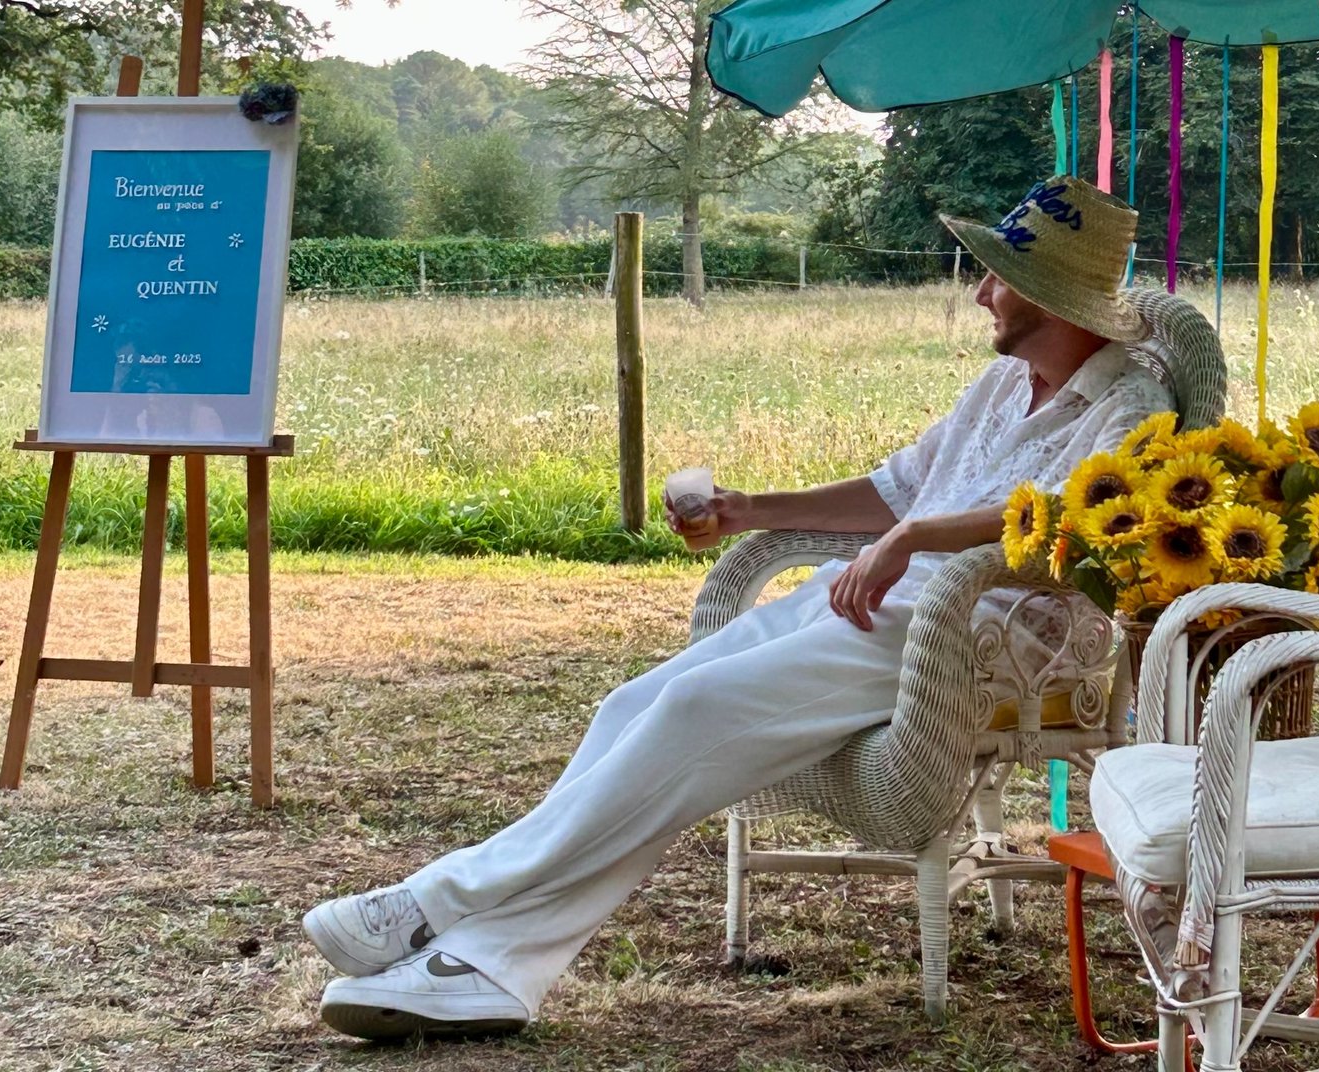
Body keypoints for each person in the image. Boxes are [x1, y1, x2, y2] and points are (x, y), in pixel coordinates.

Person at [305, 174, 1174, 1040]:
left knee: (694, 709)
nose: (980, 292)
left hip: (969, 633)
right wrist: (748, 509)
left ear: (1049, 294)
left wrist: (917, 538)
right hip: (865, 600)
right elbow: (896, 489)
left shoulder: (1133, 404)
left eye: (996, 276)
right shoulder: (1001, 383)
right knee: (635, 704)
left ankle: (434, 900)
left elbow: (1079, 522)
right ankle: (492, 966)